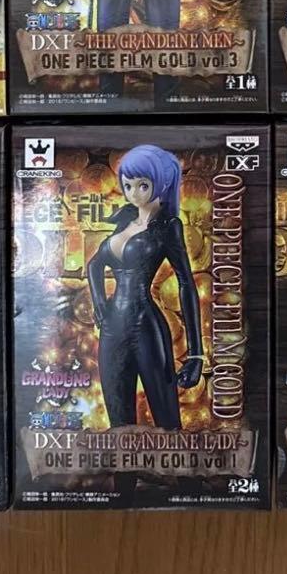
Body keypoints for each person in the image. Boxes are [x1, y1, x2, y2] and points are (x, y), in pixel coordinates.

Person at [87, 145, 202, 429]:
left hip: (146, 328)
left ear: (161, 183)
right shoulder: (125, 219)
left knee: (168, 422)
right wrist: (100, 304)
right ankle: (124, 464)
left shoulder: (168, 226)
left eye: (143, 185)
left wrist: (196, 354)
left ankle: (176, 462)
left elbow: (186, 283)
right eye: (128, 186)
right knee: (119, 425)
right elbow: (94, 264)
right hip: (112, 331)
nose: (134, 193)